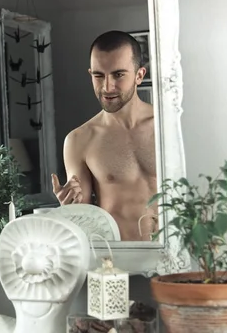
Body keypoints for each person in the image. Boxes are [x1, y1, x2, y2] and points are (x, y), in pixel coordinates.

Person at [51, 30, 157, 241]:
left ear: (139, 75)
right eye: (98, 76)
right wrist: (70, 204)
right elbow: (85, 218)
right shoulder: (79, 140)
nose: (107, 87)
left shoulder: (168, 127)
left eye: (118, 75)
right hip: (117, 263)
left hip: (175, 259)